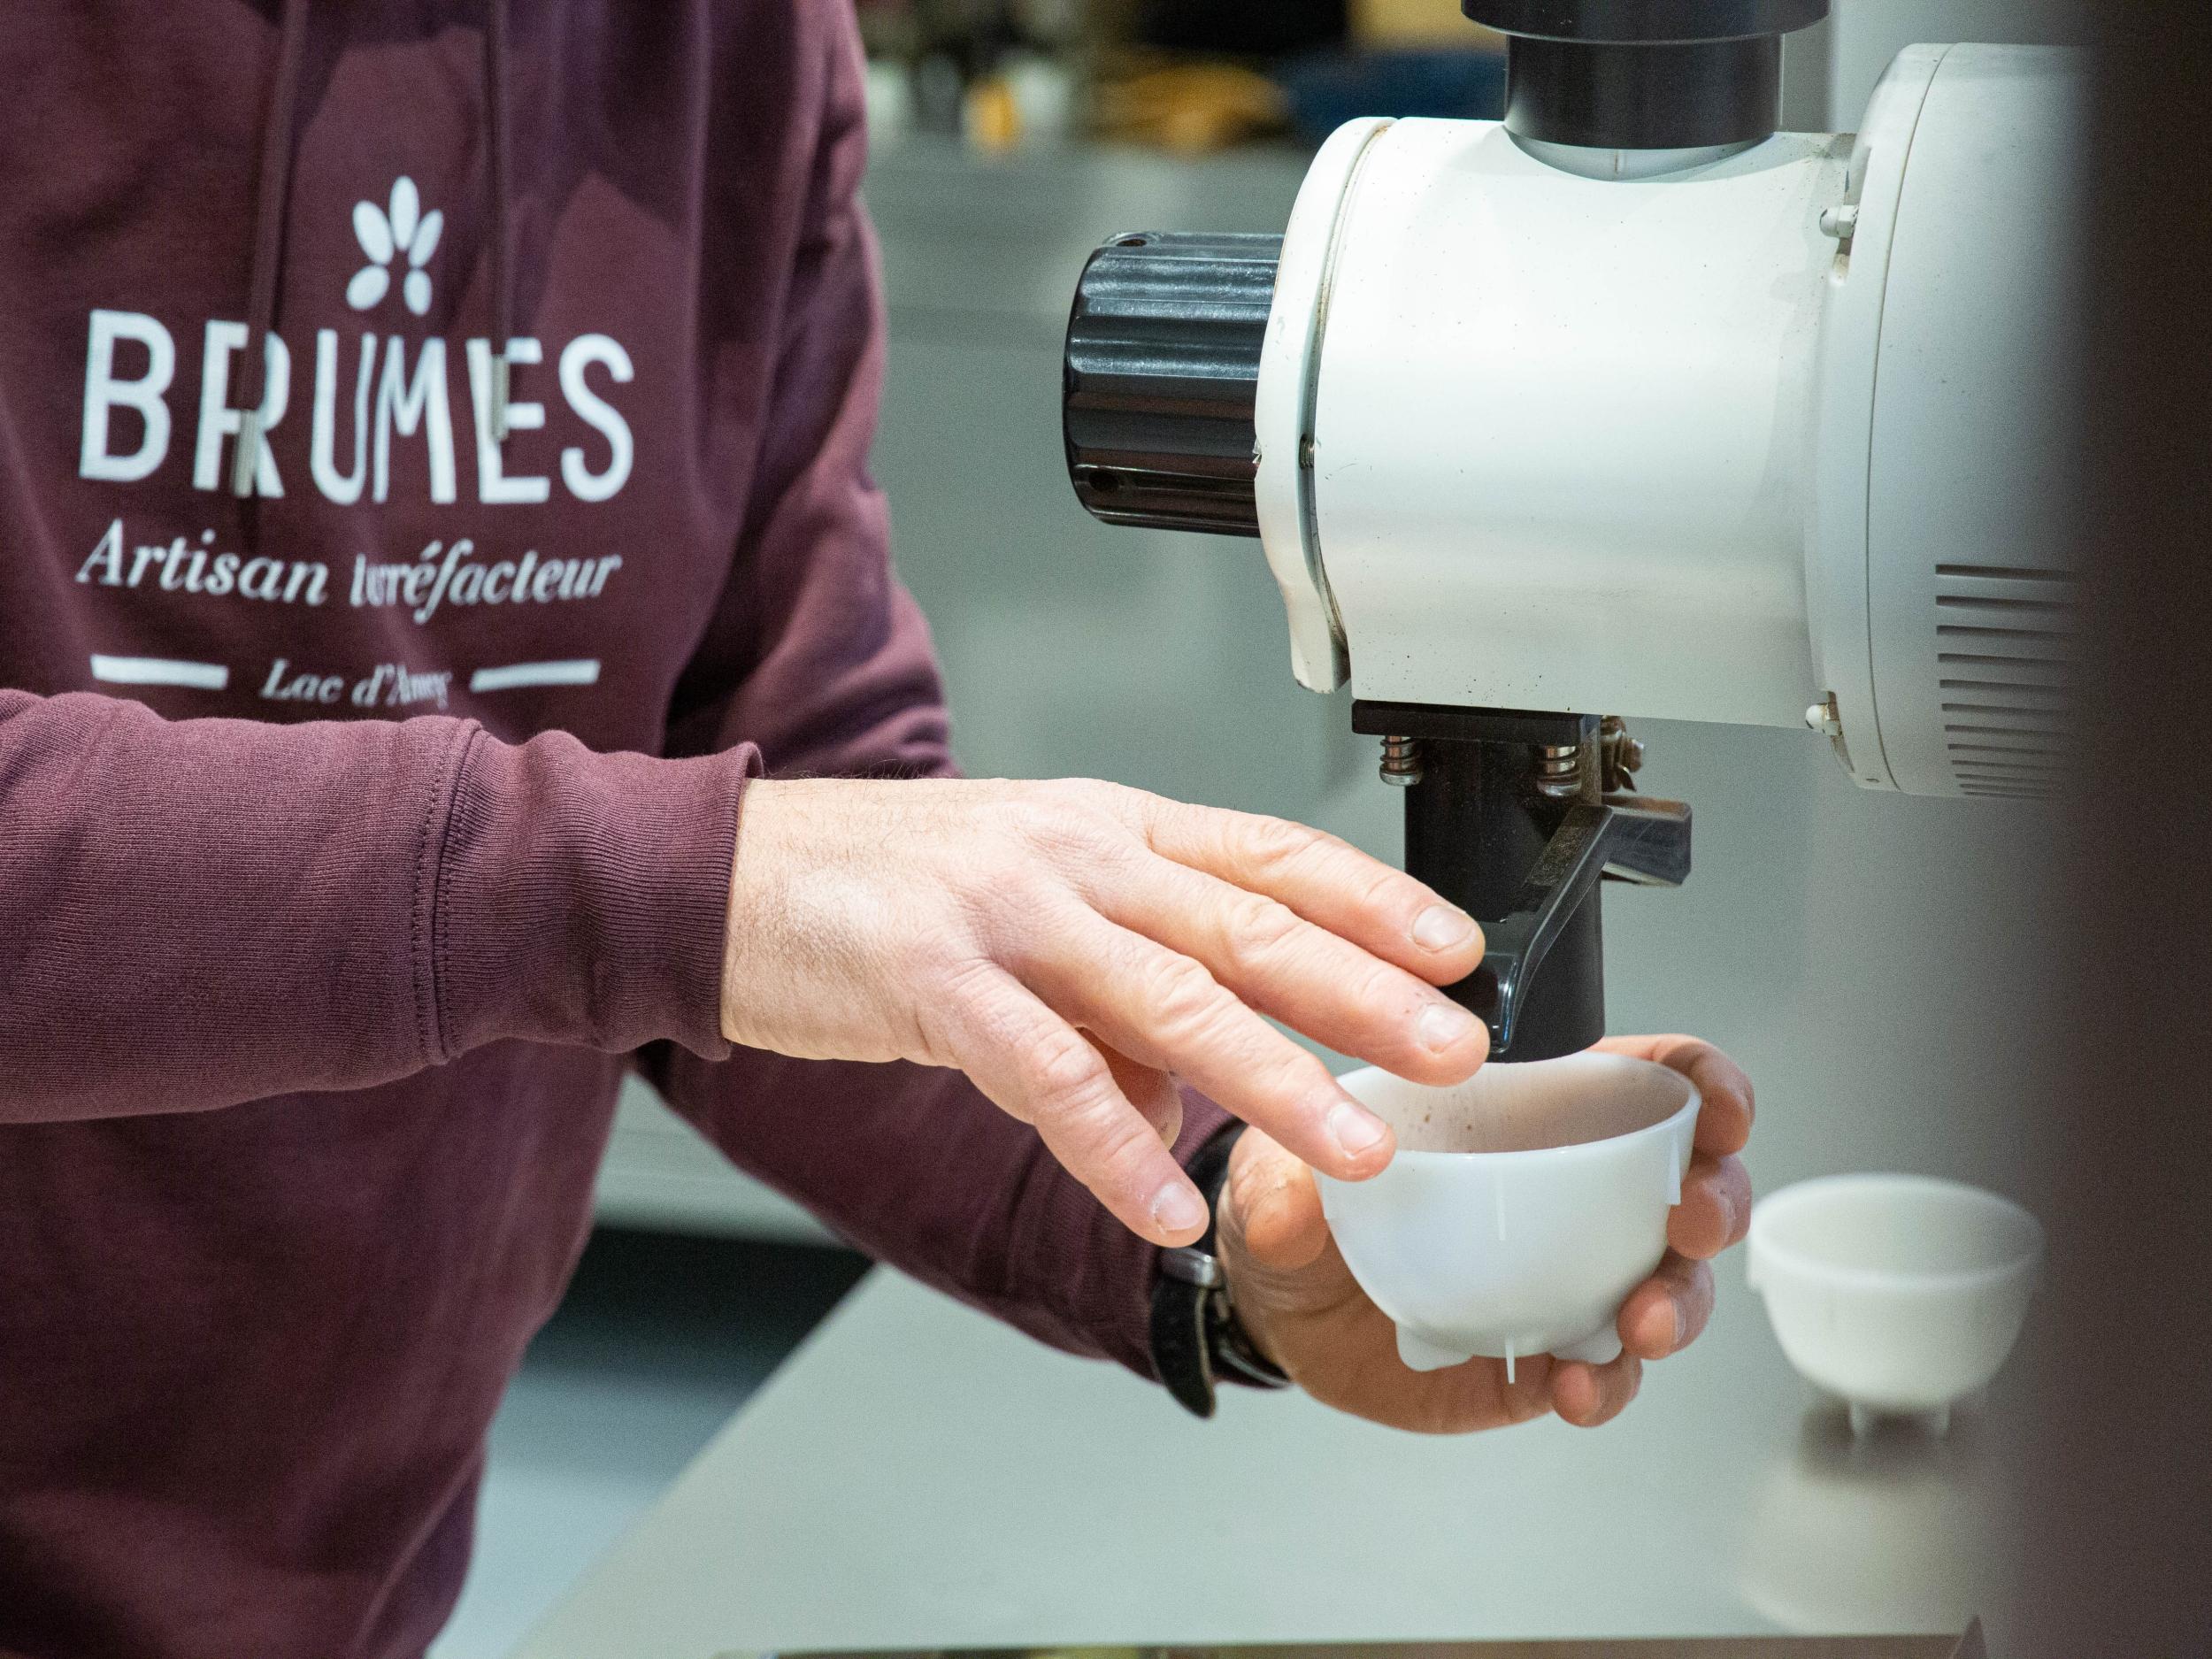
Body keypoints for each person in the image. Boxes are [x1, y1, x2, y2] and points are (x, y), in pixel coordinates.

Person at [0, 5, 1755, 1655]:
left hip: (344, 1573)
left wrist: (1226, 1233)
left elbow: (800, 819)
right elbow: (714, 881)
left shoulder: (728, 47)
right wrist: (687, 884)